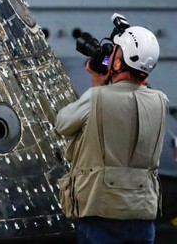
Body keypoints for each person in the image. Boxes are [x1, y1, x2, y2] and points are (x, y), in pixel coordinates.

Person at [56, 24, 168, 244]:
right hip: (142, 212)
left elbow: (62, 124)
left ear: (118, 62)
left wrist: (98, 86)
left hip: (101, 211)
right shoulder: (161, 101)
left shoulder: (96, 98)